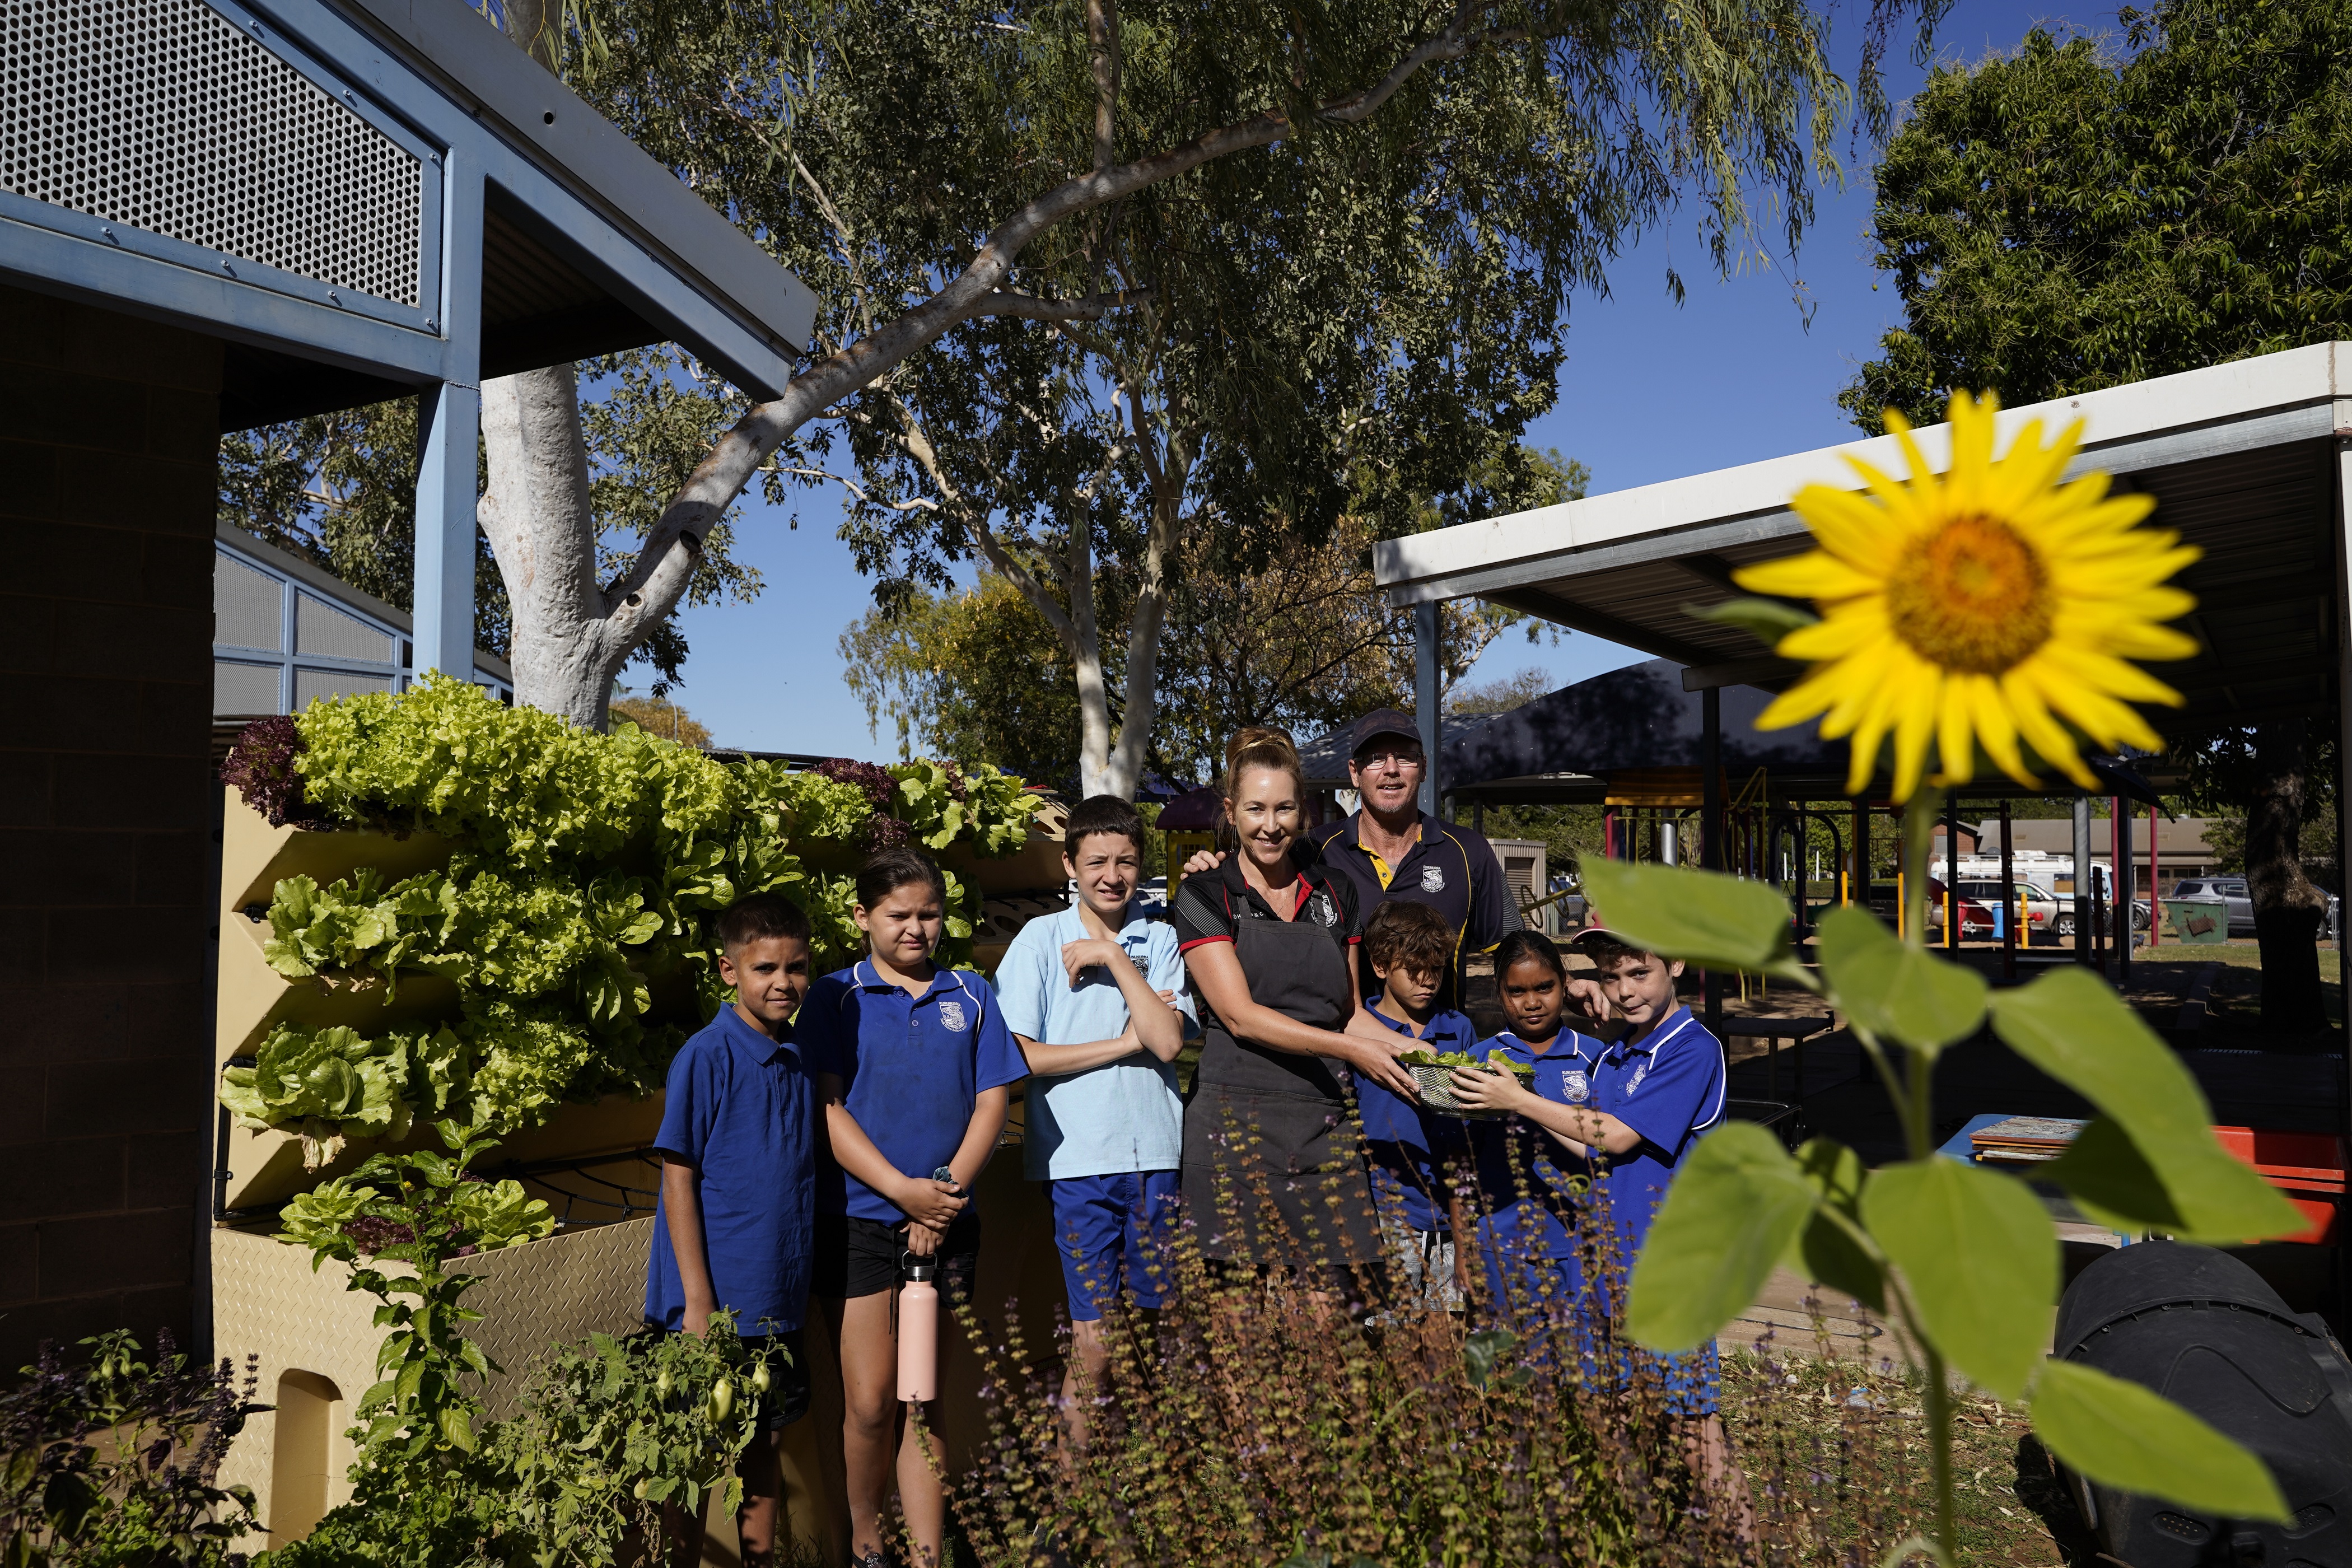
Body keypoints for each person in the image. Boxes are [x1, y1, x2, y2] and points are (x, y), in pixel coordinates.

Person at [1450, 925, 1740, 1517]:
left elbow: (1613, 1135)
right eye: (1613, 977)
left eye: (1640, 973)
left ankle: (1746, 1548)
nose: (1626, 990)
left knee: (1695, 1432)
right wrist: (1585, 991)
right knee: (1625, 1417)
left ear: (1678, 963)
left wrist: (1520, 1101)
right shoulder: (1619, 1052)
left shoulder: (1691, 1048)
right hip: (1608, 1265)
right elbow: (1588, 1148)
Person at [798, 850, 1028, 1568]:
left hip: (949, 1223)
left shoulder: (974, 993)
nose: (916, 928)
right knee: (869, 1401)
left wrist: (942, 1199)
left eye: (928, 914)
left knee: (923, 1396)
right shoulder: (835, 996)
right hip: (861, 1222)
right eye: (898, 915)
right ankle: (867, 1542)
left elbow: (993, 1100)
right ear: (862, 916)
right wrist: (903, 1193)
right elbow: (827, 1107)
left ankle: (927, 1554)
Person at [1172, 727, 1417, 1284]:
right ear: (1232, 811)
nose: (1270, 825)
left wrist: (1420, 1052)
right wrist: (1352, 1050)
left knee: (1334, 1320)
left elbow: (1350, 1011)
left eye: (1284, 808)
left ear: (1302, 811)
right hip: (1231, 1129)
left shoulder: (1336, 892)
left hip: (1322, 1123)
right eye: (1256, 808)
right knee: (1238, 1331)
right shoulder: (1206, 894)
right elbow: (1239, 1016)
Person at [995, 794, 1196, 1446]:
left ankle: (1150, 1476)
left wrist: (1112, 957)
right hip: (1079, 1162)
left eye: (1127, 861)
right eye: (1098, 861)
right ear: (1070, 864)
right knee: (1096, 1336)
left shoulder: (1160, 937)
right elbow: (1023, 1054)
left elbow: (1168, 1044)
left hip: (1157, 1158)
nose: (1113, 874)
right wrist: (1124, 1040)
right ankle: (1068, 1496)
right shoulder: (1039, 940)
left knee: (1158, 1330)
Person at [643, 892, 819, 1568]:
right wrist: (696, 1301)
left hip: (777, 1308)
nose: (783, 982)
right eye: (765, 968)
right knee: (689, 1456)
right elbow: (678, 1178)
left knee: (763, 1446)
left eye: (796, 967)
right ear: (728, 970)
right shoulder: (706, 1055)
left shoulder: (799, 1054)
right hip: (711, 1309)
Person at [1182, 707, 1523, 1010]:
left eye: (1405, 757)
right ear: (1354, 772)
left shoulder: (1469, 851)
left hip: (1437, 1055)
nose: (1391, 770)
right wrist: (1211, 869)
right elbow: (1254, 870)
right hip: (1338, 1063)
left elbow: (1516, 950)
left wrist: (1565, 986)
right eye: (1375, 758)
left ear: (1423, 768)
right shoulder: (1311, 849)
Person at [1446, 930, 1608, 1314]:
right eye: (1517, 991)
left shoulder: (1597, 1057)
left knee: (1582, 1368)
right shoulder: (1479, 1062)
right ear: (1498, 993)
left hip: (1583, 1245)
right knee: (1511, 1367)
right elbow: (1459, 1162)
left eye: (1545, 987)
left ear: (1565, 986)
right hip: (1501, 1248)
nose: (1532, 1002)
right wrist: (1463, 1244)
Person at [1355, 898, 1479, 1310]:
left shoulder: (1458, 1029)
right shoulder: (1358, 1033)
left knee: (1447, 1339)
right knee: (1393, 1339)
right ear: (1380, 966)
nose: (1428, 980)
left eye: (1438, 968)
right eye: (1414, 968)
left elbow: (1466, 1137)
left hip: (1449, 1213)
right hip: (1382, 1214)